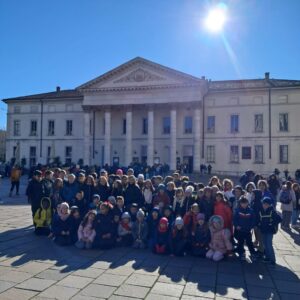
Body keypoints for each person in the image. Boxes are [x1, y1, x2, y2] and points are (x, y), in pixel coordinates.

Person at [257, 197, 282, 265]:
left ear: (270, 204)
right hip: (263, 230)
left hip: (270, 231)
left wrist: (271, 224)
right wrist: (259, 225)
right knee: (265, 244)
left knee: (269, 244)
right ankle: (267, 257)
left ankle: (272, 259)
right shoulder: (261, 211)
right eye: (264, 204)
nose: (265, 205)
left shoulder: (272, 211)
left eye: (267, 204)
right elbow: (258, 220)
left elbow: (279, 219)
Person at [233, 196, 257, 261]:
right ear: (240, 203)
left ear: (247, 203)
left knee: (249, 242)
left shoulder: (251, 211)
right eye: (242, 203)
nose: (244, 204)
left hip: (247, 230)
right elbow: (235, 219)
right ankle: (242, 253)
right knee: (240, 242)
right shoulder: (237, 210)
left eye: (245, 203)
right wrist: (236, 225)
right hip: (240, 230)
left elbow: (253, 220)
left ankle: (252, 253)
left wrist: (251, 226)